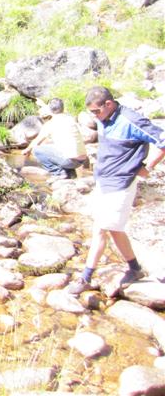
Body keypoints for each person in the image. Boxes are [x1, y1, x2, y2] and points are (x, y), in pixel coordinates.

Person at [67, 86, 165, 295]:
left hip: (121, 183)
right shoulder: (104, 118)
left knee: (100, 229)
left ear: (109, 104)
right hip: (103, 180)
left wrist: (148, 167)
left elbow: (163, 140)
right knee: (113, 228)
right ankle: (135, 268)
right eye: (91, 113)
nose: (95, 116)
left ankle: (86, 277)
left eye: (96, 111)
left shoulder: (131, 121)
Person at [22, 98, 87, 180]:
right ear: (63, 108)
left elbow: (36, 142)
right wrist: (43, 105)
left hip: (69, 161)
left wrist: (26, 150)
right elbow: (54, 109)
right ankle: (71, 174)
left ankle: (57, 173)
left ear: (49, 110)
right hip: (81, 159)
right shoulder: (70, 118)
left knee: (37, 150)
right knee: (61, 148)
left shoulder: (50, 124)